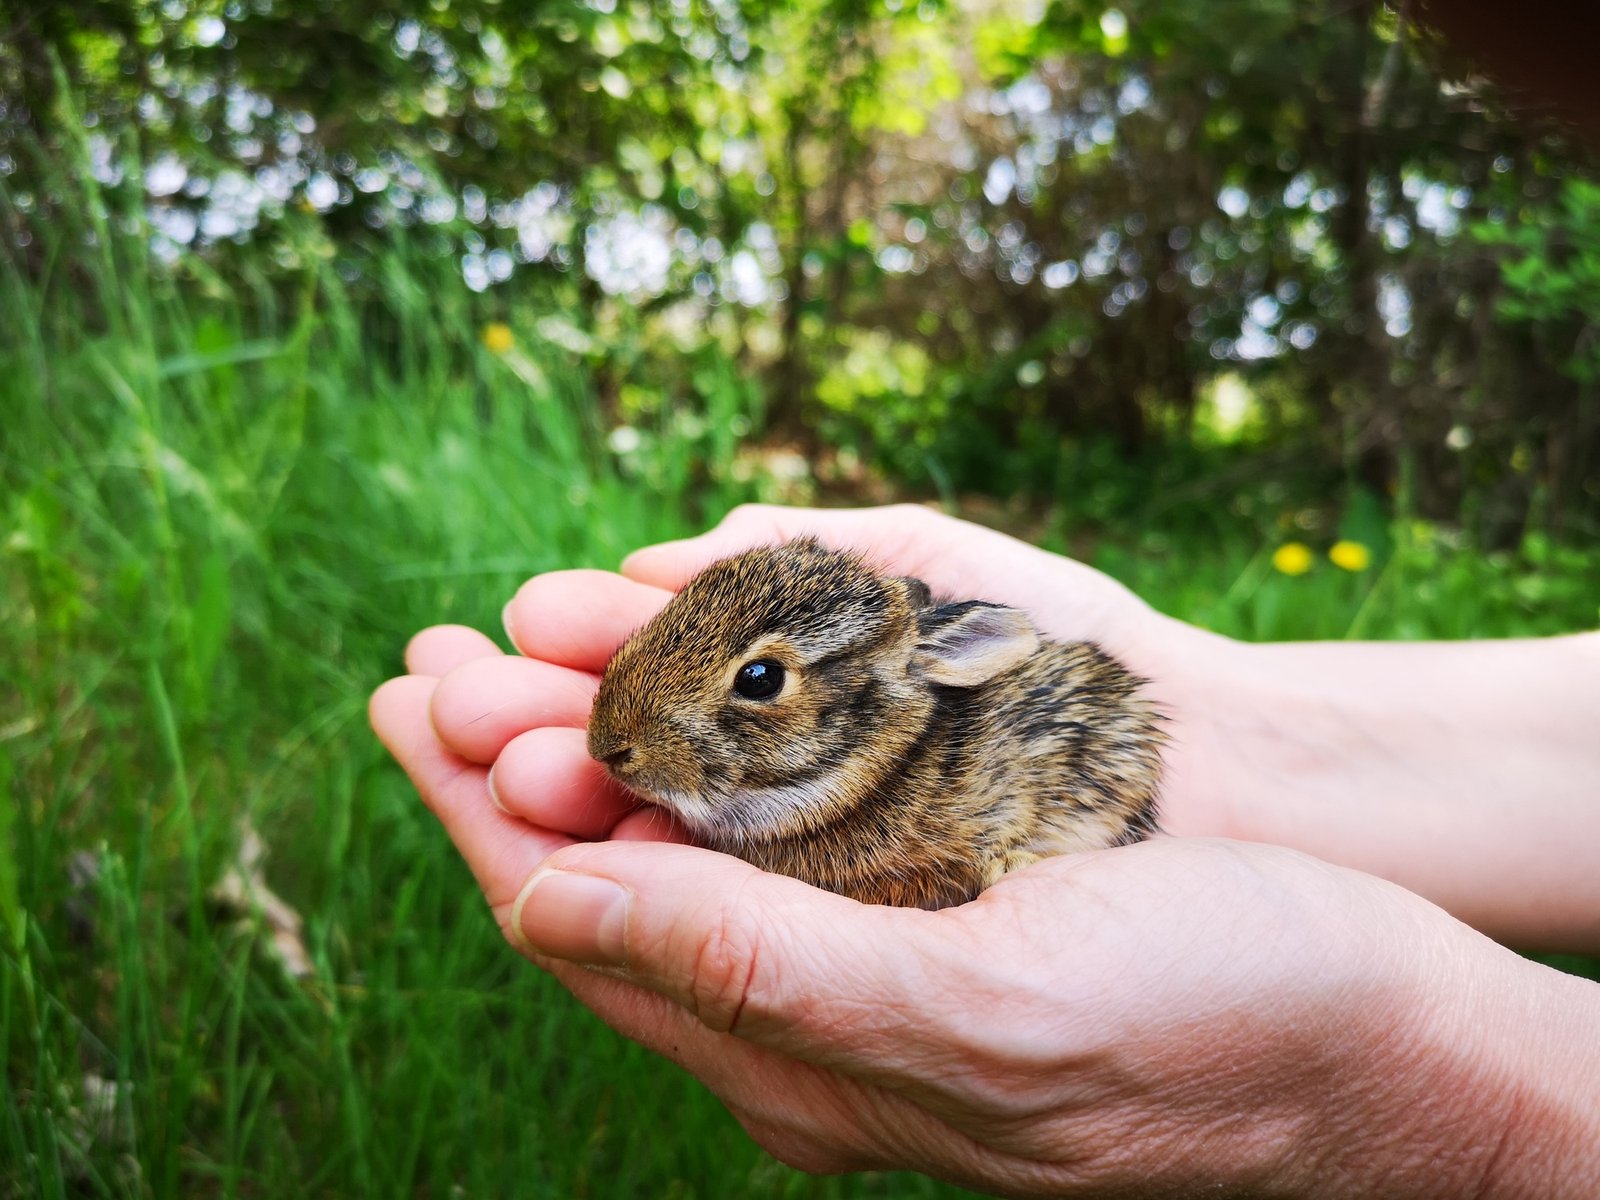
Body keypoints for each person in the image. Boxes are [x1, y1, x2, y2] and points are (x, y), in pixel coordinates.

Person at [370, 504, 1600, 1196]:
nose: (623, 735)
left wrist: (1469, 1122)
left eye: (755, 686)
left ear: (899, 688)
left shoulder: (933, 778)